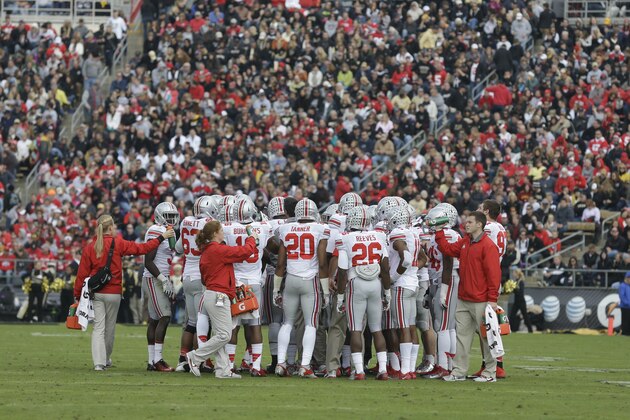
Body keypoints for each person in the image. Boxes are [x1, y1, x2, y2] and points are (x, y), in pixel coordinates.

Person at [74, 214, 175, 371]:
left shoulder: (89, 248)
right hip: (113, 292)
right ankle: (106, 358)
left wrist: (77, 295)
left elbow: (81, 274)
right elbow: (143, 248)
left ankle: (98, 364)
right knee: (110, 328)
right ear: (111, 227)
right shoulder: (118, 243)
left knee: (98, 328)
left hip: (96, 292)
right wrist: (162, 237)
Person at [434, 211, 501, 383]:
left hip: (482, 301)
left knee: (487, 338)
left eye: (470, 222)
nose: (466, 224)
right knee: (461, 338)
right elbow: (447, 250)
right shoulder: (465, 242)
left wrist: (492, 299)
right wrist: (440, 232)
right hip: (464, 298)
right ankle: (459, 371)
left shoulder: (488, 246)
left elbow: (494, 274)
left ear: (480, 224)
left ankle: (490, 373)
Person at [185, 220, 258, 378]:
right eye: (221, 230)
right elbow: (244, 252)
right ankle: (195, 357)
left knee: (220, 334)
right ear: (215, 234)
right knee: (225, 334)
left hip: (213, 293)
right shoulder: (217, 249)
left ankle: (223, 369)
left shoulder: (207, 251)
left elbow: (205, 279)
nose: (223, 232)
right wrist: (252, 238)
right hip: (219, 295)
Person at [273, 198, 330, 378]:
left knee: (287, 322)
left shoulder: (285, 228)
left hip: (290, 279)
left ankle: (281, 363)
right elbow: (322, 264)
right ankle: (305, 365)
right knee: (311, 324)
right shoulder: (320, 229)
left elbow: (280, 264)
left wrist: (276, 289)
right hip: (310, 280)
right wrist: (326, 291)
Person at [335, 206, 392, 380]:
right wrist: (387, 293)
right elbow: (385, 268)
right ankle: (383, 369)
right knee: (377, 329)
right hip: (375, 284)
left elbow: (343, 271)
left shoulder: (345, 238)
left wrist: (339, 297)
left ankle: (359, 371)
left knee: (355, 329)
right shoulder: (379, 236)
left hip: (356, 283)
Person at [174, 196, 217, 372]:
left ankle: (183, 358)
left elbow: (178, 248)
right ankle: (200, 360)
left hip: (188, 275)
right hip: (201, 276)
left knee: (191, 322)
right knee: (203, 321)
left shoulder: (186, 222)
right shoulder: (209, 223)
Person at [386, 207, 426, 380]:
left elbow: (407, 258)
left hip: (402, 286)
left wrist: (394, 276)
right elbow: (423, 258)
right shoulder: (414, 233)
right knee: (410, 327)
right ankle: (409, 369)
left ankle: (404, 371)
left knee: (403, 327)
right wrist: (411, 271)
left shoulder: (397, 234)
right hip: (413, 284)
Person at [423, 204, 461, 379]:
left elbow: (448, 263)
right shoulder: (435, 236)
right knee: (446, 326)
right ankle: (450, 365)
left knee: (443, 325)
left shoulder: (450, 235)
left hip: (448, 279)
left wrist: (444, 290)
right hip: (438, 280)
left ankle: (444, 366)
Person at [143, 202, 180, 372]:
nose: (171, 219)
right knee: (165, 316)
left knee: (155, 319)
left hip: (159, 277)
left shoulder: (166, 231)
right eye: (168, 216)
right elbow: (148, 261)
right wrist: (162, 279)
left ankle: (152, 361)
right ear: (159, 216)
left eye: (173, 215)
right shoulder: (155, 231)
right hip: (154, 278)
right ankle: (157, 359)